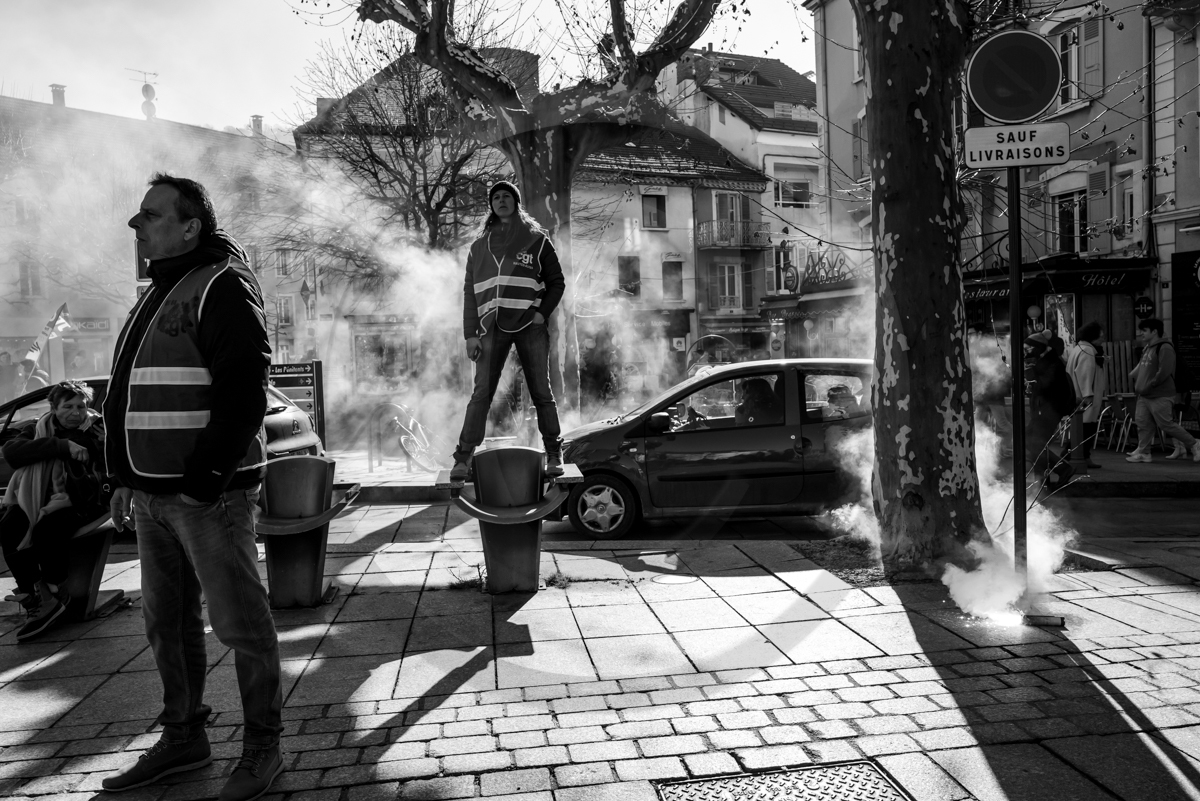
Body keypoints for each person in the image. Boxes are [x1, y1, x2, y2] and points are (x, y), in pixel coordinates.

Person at [101, 174, 283, 801]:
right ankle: (184, 738)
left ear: (189, 227)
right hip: (152, 499)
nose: (136, 224)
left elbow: (245, 391)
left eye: (149, 215)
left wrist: (204, 484)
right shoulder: (156, 293)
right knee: (168, 626)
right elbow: (127, 392)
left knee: (241, 625)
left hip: (209, 499)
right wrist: (123, 478)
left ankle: (263, 746)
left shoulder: (221, 285)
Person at [450, 180, 566, 482]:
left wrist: (542, 315)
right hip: (490, 326)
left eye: (507, 196)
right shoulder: (479, 246)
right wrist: (470, 334)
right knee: (481, 395)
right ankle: (463, 457)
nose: (501, 200)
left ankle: (554, 452)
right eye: (496, 197)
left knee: (542, 391)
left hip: (530, 325)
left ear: (516, 203)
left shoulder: (538, 241)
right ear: (491, 205)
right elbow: (469, 294)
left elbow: (557, 282)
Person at [0, 380, 106, 641]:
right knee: (9, 527)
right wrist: (61, 447)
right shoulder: (37, 428)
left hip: (83, 502)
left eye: (81, 406)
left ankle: (55, 589)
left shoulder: (96, 428)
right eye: (67, 406)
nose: (76, 412)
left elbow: (94, 451)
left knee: (48, 528)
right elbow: (12, 452)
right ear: (54, 408)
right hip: (37, 500)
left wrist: (67, 445)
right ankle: (38, 598)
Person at [1126, 317, 1200, 463]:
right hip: (1145, 394)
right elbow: (1142, 366)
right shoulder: (1148, 347)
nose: (1141, 333)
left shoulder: (1165, 347)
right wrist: (1135, 378)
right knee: (1143, 423)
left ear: (1154, 332)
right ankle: (1144, 452)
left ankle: (1194, 443)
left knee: (1166, 424)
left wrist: (1151, 384)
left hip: (1160, 394)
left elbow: (1164, 371)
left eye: (1144, 331)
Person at [1025, 331, 1077, 485]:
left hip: (1049, 411)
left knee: (1035, 444)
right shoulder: (1043, 361)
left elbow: (1043, 386)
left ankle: (1062, 469)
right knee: (1033, 442)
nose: (1027, 352)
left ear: (1038, 347)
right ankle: (1041, 481)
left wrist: (1029, 372)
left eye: (1028, 348)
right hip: (1042, 410)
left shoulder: (1053, 363)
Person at [1066, 321, 1108, 468]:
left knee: (1080, 429)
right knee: (1086, 429)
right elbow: (1085, 374)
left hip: (1076, 395)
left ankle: (1076, 456)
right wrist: (1088, 394)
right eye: (1100, 336)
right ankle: (1078, 456)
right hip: (1085, 398)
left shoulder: (1078, 348)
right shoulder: (1088, 351)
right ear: (1092, 336)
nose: (1103, 338)